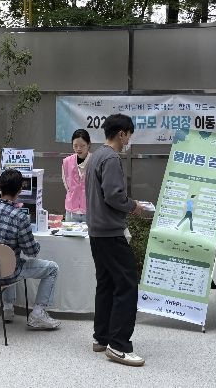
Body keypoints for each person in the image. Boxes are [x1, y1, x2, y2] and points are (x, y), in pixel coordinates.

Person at [85, 113, 145, 367]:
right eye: (129, 135)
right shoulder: (111, 158)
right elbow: (113, 195)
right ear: (122, 133)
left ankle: (102, 337)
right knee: (127, 284)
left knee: (106, 283)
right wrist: (134, 206)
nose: (129, 140)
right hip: (110, 231)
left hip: (97, 231)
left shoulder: (96, 156)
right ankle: (119, 345)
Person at [0, 169, 61, 329]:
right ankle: (38, 314)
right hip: (6, 275)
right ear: (20, 190)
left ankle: (7, 308)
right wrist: (34, 242)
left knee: (8, 258)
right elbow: (32, 252)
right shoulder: (20, 217)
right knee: (51, 268)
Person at [62, 129, 91, 223]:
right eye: (75, 145)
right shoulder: (67, 162)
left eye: (82, 145)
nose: (79, 148)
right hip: (71, 211)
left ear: (88, 144)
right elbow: (67, 185)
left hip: (90, 211)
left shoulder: (95, 161)